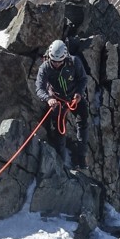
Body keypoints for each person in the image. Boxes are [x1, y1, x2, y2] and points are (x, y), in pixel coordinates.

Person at [34, 39, 87, 168]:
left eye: (59, 61)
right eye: (54, 61)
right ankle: (61, 161)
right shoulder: (45, 67)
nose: (56, 64)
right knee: (59, 131)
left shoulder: (74, 62)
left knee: (83, 122)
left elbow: (82, 79)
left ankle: (81, 158)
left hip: (74, 98)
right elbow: (39, 88)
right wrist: (48, 99)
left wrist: (79, 93)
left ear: (65, 57)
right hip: (57, 101)